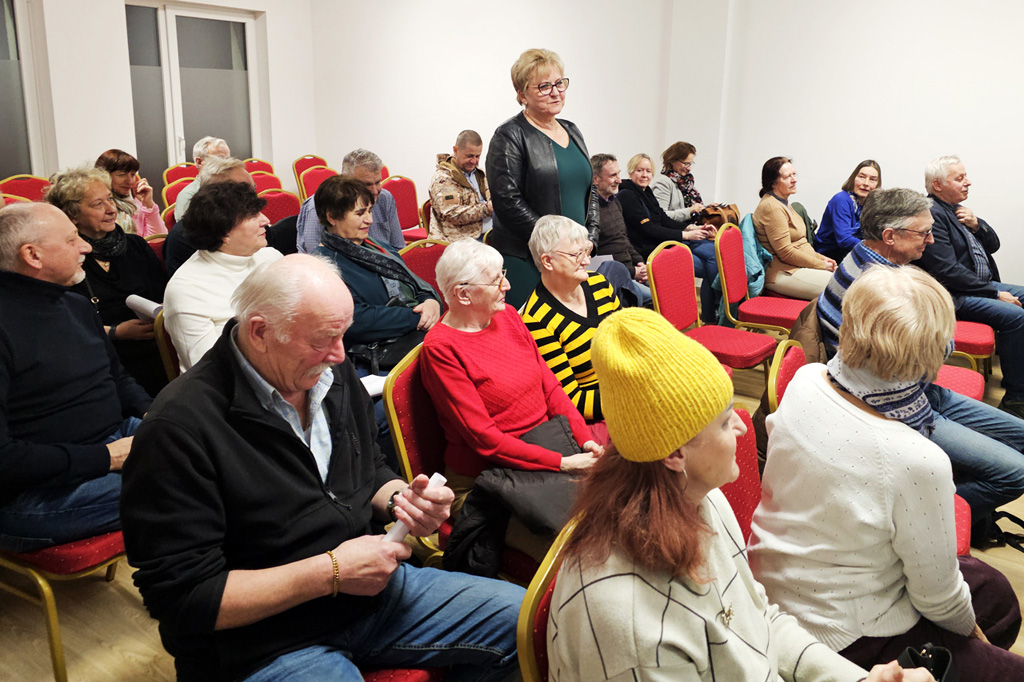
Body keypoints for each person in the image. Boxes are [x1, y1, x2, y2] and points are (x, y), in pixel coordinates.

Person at [120, 254, 524, 682]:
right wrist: (331, 572)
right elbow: (182, 600)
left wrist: (401, 500)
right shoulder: (178, 428)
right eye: (324, 340)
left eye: (343, 334)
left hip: (366, 597)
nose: (339, 354)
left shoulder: (325, 371)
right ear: (259, 332)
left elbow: (368, 467)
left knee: (530, 625)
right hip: (264, 641)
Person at [546, 306, 930, 682]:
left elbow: (761, 621)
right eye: (725, 420)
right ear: (675, 454)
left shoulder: (701, 497)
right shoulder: (630, 624)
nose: (743, 428)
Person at [750, 266, 1024, 681]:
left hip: (778, 578)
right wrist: (975, 641)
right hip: (843, 632)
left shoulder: (806, 378)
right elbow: (937, 599)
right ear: (933, 355)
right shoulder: (916, 459)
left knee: (995, 591)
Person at [816, 187, 1024, 537]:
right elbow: (934, 356)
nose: (931, 240)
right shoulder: (880, 289)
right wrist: (938, 335)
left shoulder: (866, 257)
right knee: (1015, 473)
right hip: (897, 405)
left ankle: (962, 512)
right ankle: (917, 523)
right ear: (890, 236)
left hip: (916, 388)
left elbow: (926, 356)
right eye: (923, 232)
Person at [0, 202, 150, 552]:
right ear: (33, 255)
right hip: (35, 492)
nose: (85, 246)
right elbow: (5, 460)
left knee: (222, 448)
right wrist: (107, 457)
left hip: (111, 440)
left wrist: (157, 416)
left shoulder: (76, 304)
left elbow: (118, 379)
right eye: (71, 240)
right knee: (188, 484)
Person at [421, 239, 600, 509]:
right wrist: (562, 463)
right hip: (489, 476)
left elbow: (550, 387)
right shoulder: (441, 349)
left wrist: (584, 439)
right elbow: (485, 440)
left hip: (545, 446)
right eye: (496, 281)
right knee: (584, 523)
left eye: (502, 275)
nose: (507, 285)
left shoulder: (508, 316)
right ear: (463, 294)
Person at [486, 48, 599, 309]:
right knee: (537, 328)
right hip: (529, 257)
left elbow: (590, 189)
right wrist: (554, 244)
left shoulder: (572, 129)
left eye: (559, 83)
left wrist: (590, 238)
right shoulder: (509, 135)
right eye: (544, 86)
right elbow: (508, 201)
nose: (556, 92)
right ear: (522, 94)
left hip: (573, 257)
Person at [916, 155, 1024, 420]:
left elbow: (994, 245)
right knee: (1016, 317)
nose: (968, 182)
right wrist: (995, 293)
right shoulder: (932, 214)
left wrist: (977, 224)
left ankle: (1018, 372)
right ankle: (1015, 397)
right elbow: (947, 271)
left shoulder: (956, 210)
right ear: (938, 185)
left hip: (979, 285)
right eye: (960, 178)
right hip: (955, 295)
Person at [46, 166, 168, 396]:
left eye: (110, 199)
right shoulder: (65, 260)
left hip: (154, 349)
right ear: (72, 215)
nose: (112, 209)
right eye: (98, 204)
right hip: (97, 356)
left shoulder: (136, 246)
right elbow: (61, 325)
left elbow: (162, 296)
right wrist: (116, 332)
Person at [312, 175, 441, 364]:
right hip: (376, 354)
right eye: (360, 213)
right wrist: (418, 316)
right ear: (332, 217)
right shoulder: (323, 266)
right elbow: (357, 320)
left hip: (413, 336)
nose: (370, 220)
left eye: (370, 211)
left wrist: (430, 301)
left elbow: (414, 284)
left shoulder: (379, 248)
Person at [163, 181, 282, 372]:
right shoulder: (187, 289)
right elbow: (209, 369)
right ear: (224, 232)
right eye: (253, 216)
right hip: (233, 384)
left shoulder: (270, 257)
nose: (266, 220)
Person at [521, 216, 620, 421]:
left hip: (627, 381)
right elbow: (573, 401)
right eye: (576, 255)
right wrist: (631, 396)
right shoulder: (536, 320)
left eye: (586, 251)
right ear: (548, 261)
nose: (587, 261)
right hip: (602, 410)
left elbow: (629, 342)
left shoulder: (599, 283)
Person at [618, 153, 719, 323]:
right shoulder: (627, 195)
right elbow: (648, 229)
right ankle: (711, 317)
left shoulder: (646, 192)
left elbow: (663, 219)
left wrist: (691, 228)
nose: (644, 175)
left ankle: (710, 317)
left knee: (714, 256)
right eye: (639, 170)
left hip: (664, 243)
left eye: (648, 171)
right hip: (651, 251)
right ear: (630, 171)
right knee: (712, 265)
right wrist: (686, 235)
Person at [753, 156, 836, 299]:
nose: (794, 180)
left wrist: (823, 259)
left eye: (794, 174)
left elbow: (801, 243)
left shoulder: (783, 202)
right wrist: (821, 265)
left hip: (796, 267)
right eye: (787, 177)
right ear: (773, 183)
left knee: (850, 281)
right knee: (843, 288)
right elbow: (786, 252)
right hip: (783, 272)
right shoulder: (772, 207)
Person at [296, 149, 404, 253]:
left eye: (377, 182)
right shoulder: (317, 206)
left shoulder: (385, 198)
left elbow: (398, 247)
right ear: (345, 179)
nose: (375, 191)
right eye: (366, 184)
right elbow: (314, 257)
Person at [163, 156, 255, 276]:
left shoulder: (252, 221)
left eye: (253, 189)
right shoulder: (185, 236)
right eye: (245, 192)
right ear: (216, 195)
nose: (254, 197)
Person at [590, 153, 651, 307]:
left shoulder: (614, 202)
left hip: (630, 270)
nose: (619, 180)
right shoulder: (588, 211)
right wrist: (632, 272)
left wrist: (640, 263)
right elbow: (595, 259)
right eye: (613, 176)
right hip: (611, 277)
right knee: (656, 298)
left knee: (668, 287)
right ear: (595, 179)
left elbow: (624, 239)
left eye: (618, 174)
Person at [428, 129, 493, 241]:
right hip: (460, 241)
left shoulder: (480, 174)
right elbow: (452, 214)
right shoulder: (443, 179)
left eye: (477, 156)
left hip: (490, 233)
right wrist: (487, 209)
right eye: (469, 156)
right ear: (456, 150)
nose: (474, 161)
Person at [814, 160, 881, 263]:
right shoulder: (841, 200)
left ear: (877, 185)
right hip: (829, 253)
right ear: (853, 178)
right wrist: (875, 250)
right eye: (861, 177)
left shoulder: (872, 204)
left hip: (851, 251)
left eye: (872, 179)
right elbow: (844, 240)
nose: (866, 183)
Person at [94, 148, 163, 238]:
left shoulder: (136, 203)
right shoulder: (98, 209)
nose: (130, 181)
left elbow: (159, 239)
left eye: (132, 175)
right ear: (104, 176)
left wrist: (149, 205)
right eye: (122, 175)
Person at [173, 136, 230, 220]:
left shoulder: (231, 188)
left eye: (228, 159)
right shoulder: (189, 196)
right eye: (219, 159)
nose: (227, 164)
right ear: (199, 162)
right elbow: (187, 227)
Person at [650, 141, 706, 223]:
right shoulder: (663, 183)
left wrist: (707, 208)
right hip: (676, 230)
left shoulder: (687, 183)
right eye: (685, 163)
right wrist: (690, 211)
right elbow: (660, 216)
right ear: (672, 160)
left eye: (690, 164)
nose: (689, 168)